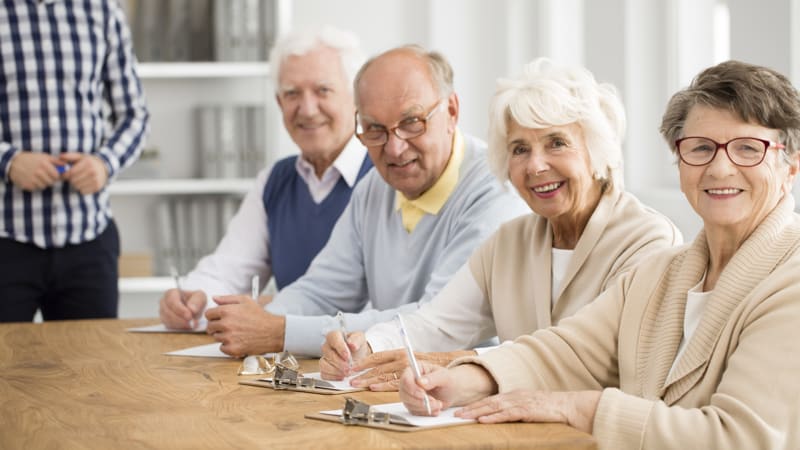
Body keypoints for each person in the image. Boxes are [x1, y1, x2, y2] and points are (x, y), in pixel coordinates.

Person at [399, 60, 800, 450]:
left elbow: (739, 438)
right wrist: (462, 380)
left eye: (749, 148)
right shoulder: (660, 274)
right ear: (680, 161)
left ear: (791, 164)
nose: (720, 168)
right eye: (701, 148)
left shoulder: (791, 280)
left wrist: (579, 407)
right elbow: (566, 352)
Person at [320, 58, 682, 388]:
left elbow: (590, 356)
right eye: (520, 148)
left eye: (556, 143)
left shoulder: (649, 241)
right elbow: (436, 324)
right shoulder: (509, 242)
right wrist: (366, 346)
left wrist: (465, 363)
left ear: (597, 149)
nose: (535, 165)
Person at [203, 45, 528, 357]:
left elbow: (434, 323)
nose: (395, 149)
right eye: (374, 129)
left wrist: (278, 332)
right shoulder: (374, 187)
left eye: (412, 122)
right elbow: (323, 290)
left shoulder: (497, 191)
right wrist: (260, 322)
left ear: (452, 111)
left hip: (466, 398)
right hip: (389, 385)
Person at [158, 26, 372, 330]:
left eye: (323, 90)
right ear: (278, 102)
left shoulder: (386, 177)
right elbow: (228, 269)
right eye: (292, 94)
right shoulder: (275, 181)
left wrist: (268, 311)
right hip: (285, 359)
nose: (308, 110)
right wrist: (191, 299)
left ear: (356, 99)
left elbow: (386, 304)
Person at [0, 0, 149, 322]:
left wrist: (104, 164)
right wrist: (9, 162)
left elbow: (134, 115)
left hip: (89, 241)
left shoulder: (103, 10)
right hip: (7, 238)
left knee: (92, 368)